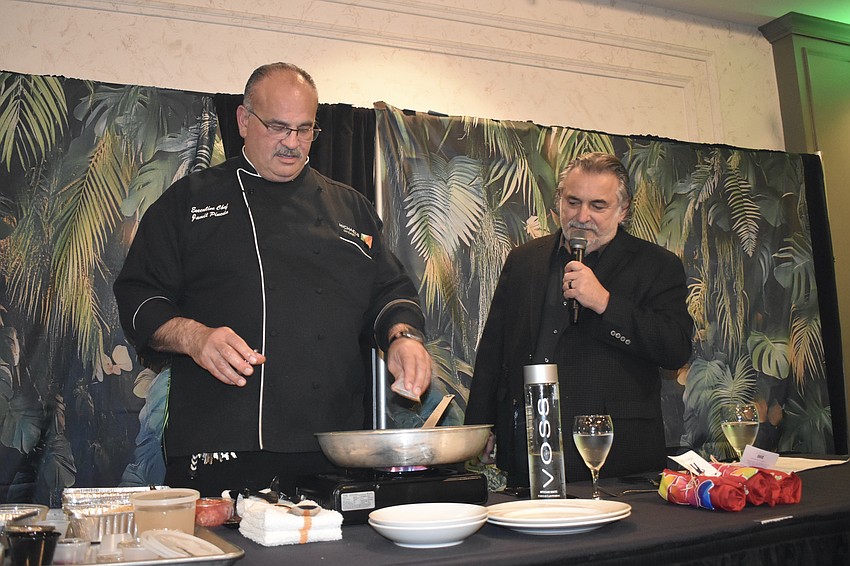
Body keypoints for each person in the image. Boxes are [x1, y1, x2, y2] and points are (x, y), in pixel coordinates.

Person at [114, 62, 432, 495]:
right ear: (244, 121)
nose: (293, 143)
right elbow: (138, 296)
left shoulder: (349, 208)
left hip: (333, 450)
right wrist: (193, 337)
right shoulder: (189, 203)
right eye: (279, 127)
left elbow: (388, 291)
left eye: (305, 130)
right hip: (223, 446)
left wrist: (402, 337)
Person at [464, 152, 692, 488]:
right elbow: (494, 347)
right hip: (528, 451)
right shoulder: (524, 259)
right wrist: (480, 425)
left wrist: (605, 303)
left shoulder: (657, 265)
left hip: (614, 459)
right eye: (573, 202)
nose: (581, 216)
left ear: (623, 210)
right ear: (558, 201)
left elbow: (674, 348)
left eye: (597, 206)